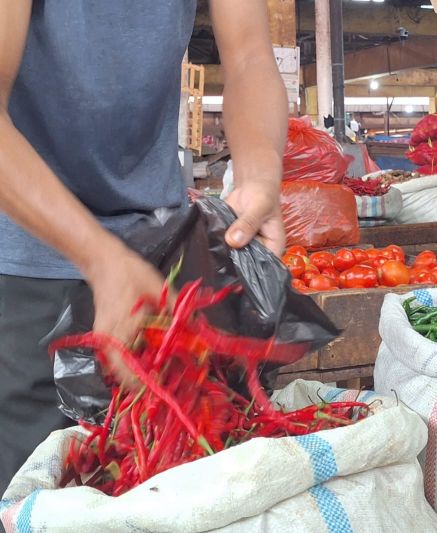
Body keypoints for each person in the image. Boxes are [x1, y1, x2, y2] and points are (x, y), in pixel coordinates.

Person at [0, 0, 288, 496]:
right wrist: (98, 257)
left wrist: (260, 175)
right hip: (32, 252)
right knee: (41, 489)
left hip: (162, 253)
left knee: (173, 479)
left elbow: (249, 59)